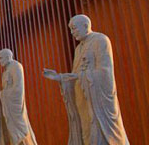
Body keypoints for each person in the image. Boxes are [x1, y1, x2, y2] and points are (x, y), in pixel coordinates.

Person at [43, 14, 129, 144]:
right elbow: (75, 75)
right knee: (86, 132)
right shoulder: (79, 49)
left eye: (74, 28)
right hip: (83, 97)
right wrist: (59, 77)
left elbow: (105, 72)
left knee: (98, 132)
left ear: (85, 25)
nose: (72, 32)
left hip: (97, 99)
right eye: (70, 29)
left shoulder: (100, 40)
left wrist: (84, 76)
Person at [0, 49, 37, 145]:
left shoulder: (16, 66)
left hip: (15, 105)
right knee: (12, 132)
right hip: (8, 106)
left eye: (1, 58)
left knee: (21, 132)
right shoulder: (5, 72)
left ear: (8, 57)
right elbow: (7, 89)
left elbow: (18, 89)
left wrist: (0, 94)